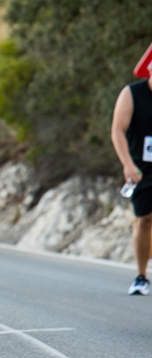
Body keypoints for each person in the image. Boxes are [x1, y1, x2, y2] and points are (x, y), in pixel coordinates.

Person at [111, 46, 152, 296]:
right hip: (140, 169)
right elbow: (117, 130)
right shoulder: (132, 93)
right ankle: (141, 276)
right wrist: (127, 164)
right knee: (144, 219)